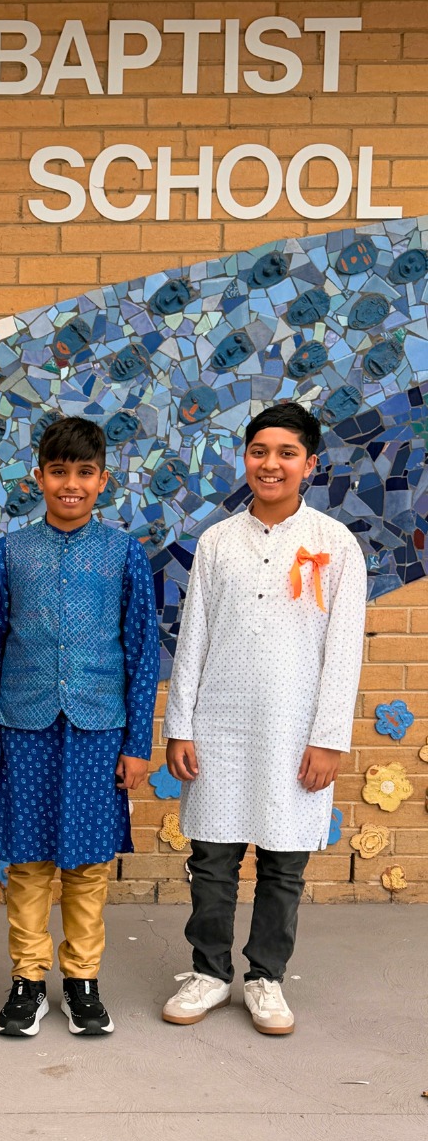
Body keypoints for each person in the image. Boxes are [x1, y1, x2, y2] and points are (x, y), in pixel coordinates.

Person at [162, 402, 367, 1036]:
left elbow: (344, 651)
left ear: (311, 464)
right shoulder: (218, 541)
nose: (270, 464)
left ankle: (265, 977)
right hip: (219, 724)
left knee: (284, 861)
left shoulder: (335, 544)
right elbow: (192, 637)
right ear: (244, 458)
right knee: (213, 856)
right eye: (259, 452)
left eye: (285, 454)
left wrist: (329, 739)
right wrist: (181, 725)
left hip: (295, 730)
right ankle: (207, 972)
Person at [0, 415, 159, 1039]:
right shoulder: (11, 551)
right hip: (23, 726)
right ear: (38, 477)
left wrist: (137, 744)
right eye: (58, 472)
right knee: (26, 862)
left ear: (103, 480)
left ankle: (82, 981)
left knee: (88, 863)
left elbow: (143, 650)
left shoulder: (123, 551)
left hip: (99, 729)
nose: (69, 484)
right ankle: (27, 979)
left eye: (83, 473)